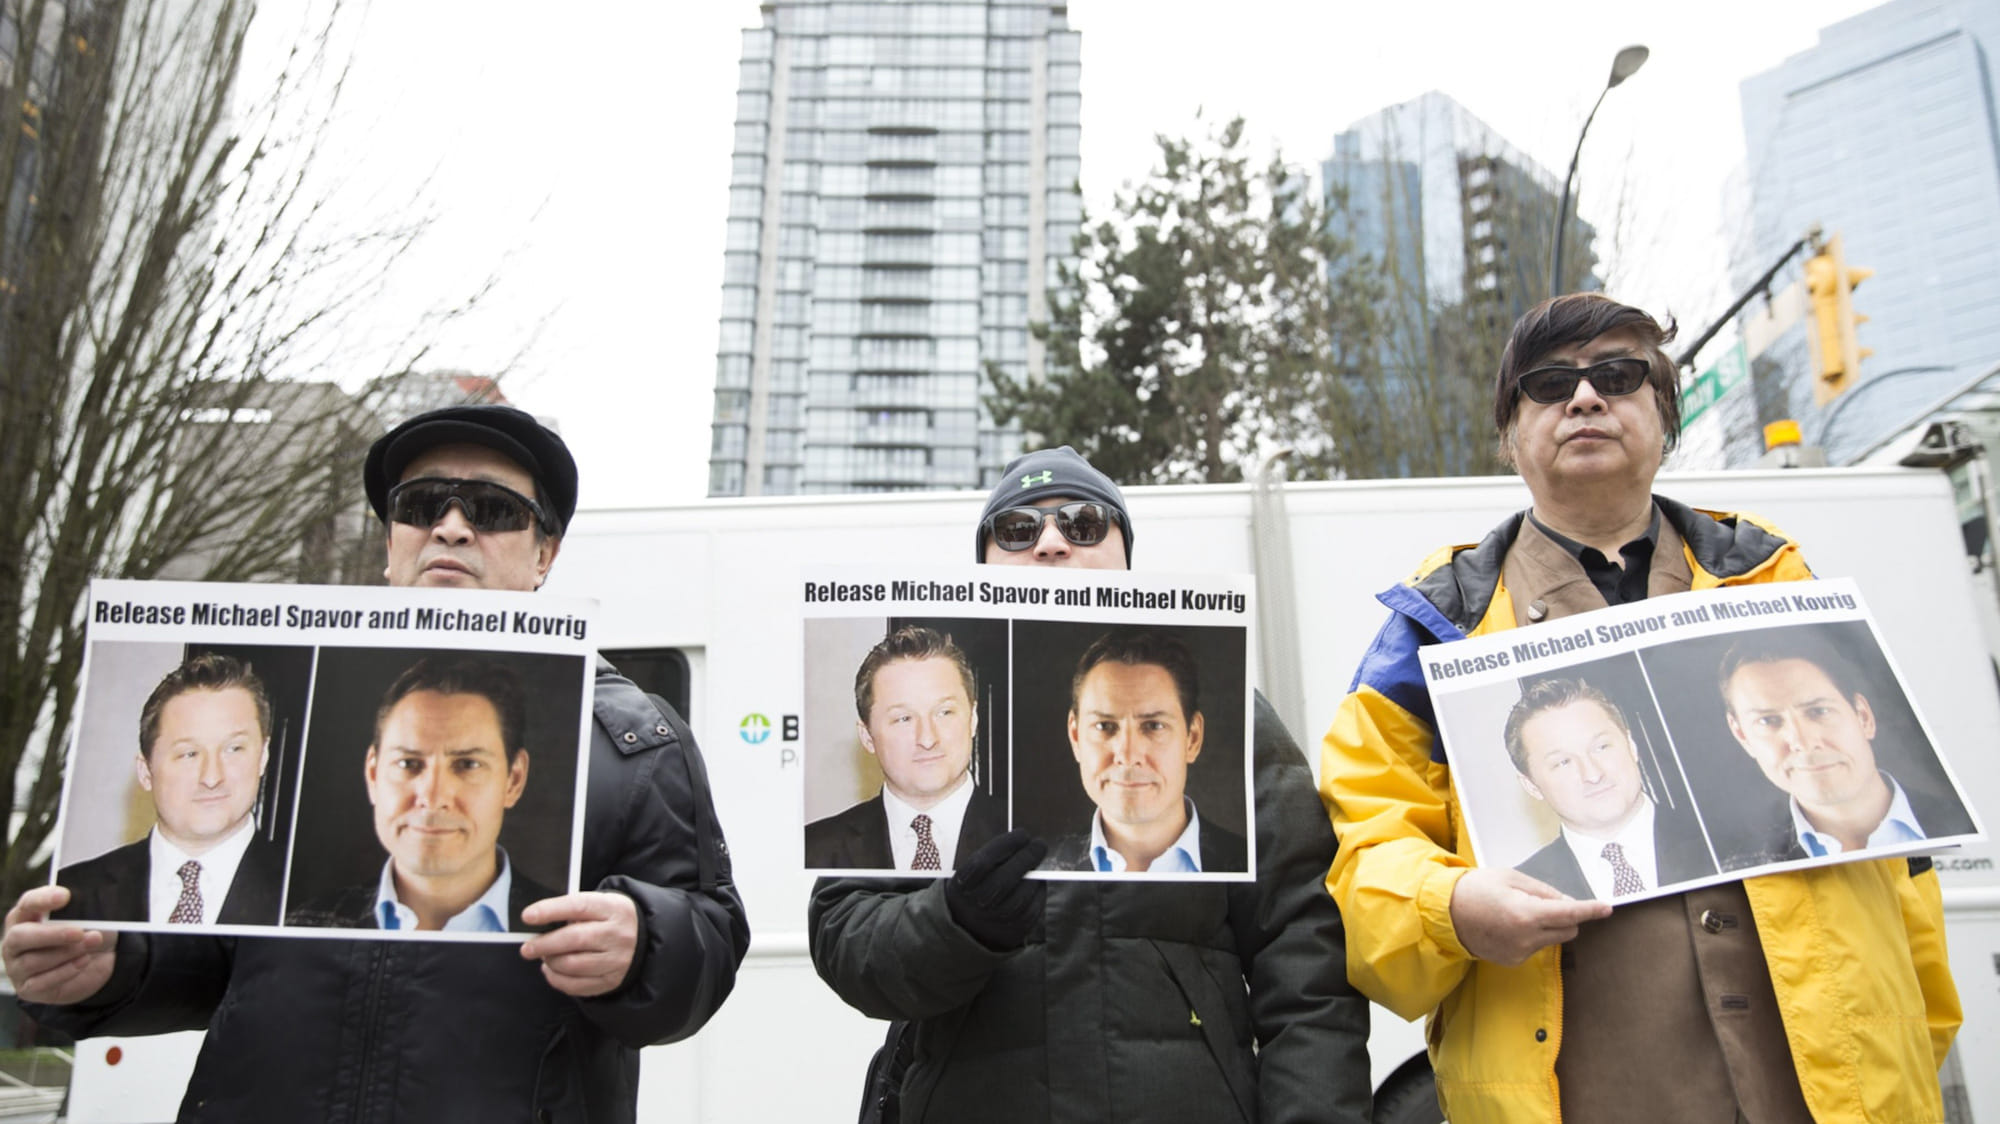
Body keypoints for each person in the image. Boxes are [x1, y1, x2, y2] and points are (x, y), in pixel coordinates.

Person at [5, 404, 750, 1122]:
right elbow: (221, 961)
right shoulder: (280, 720)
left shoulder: (638, 741)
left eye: (491, 510)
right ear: (390, 543)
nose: (451, 526)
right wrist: (111, 967)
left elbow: (710, 947)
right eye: (422, 505)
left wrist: (644, 941)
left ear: (544, 555)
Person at [1322, 293, 1959, 1123]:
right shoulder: (1431, 630)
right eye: (1548, 385)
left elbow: (1901, 864)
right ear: (1509, 436)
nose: (1585, 398)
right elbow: (1363, 850)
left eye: (1618, 377)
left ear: (1664, 418)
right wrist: (1451, 910)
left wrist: (1911, 1033)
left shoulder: (1778, 585)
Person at [811, 445, 1369, 1123]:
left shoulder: (1238, 721)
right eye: (1017, 528)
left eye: (1083, 523)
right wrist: (955, 922)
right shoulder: (928, 776)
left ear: (1126, 556)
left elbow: (1306, 963)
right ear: (983, 562)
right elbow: (848, 942)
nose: (1050, 541)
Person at [286, 657, 558, 932]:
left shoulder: (570, 932)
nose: (433, 797)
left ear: (514, 780)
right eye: (408, 763)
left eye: (468, 764)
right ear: (373, 774)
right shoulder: (301, 925)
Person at [56, 653, 283, 926]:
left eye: (233, 749)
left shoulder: (314, 896)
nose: (212, 777)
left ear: (263, 757)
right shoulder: (68, 898)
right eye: (189, 754)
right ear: (145, 771)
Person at [1719, 635, 1964, 863]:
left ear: (1864, 716)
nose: (1803, 742)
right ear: (1742, 736)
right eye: (1768, 721)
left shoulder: (1961, 822)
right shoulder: (1735, 862)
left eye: (1818, 712)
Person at [1044, 628, 1246, 873]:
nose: (1128, 757)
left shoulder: (1258, 870)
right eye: (1104, 726)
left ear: (1192, 738)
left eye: (1154, 726)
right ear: (1075, 737)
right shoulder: (1038, 873)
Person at [806, 625, 1004, 871]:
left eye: (944, 712)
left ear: (973, 719)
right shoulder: (813, 851)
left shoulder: (1036, 841)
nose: (927, 738)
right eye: (904, 719)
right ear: (867, 736)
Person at [1504, 676, 1715, 899]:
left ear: (1631, 746)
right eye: (1563, 762)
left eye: (1601, 747)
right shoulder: (1521, 894)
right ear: (1531, 786)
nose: (1593, 774)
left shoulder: (1724, 839)